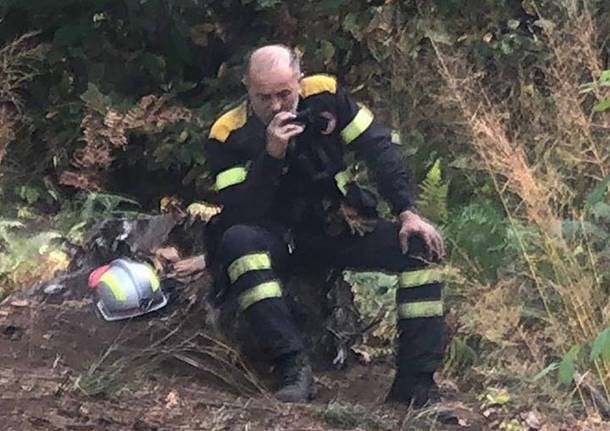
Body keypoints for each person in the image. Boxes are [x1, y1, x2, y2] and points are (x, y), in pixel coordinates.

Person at [203, 44, 445, 406]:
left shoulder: (325, 95)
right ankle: (292, 366)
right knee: (238, 242)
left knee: (420, 249)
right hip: (273, 235)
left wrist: (407, 210)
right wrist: (271, 156)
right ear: (246, 89)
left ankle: (416, 383)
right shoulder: (227, 134)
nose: (276, 106)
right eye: (263, 97)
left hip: (331, 226)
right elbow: (241, 212)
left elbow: (378, 147)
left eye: (285, 94)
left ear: (299, 81)